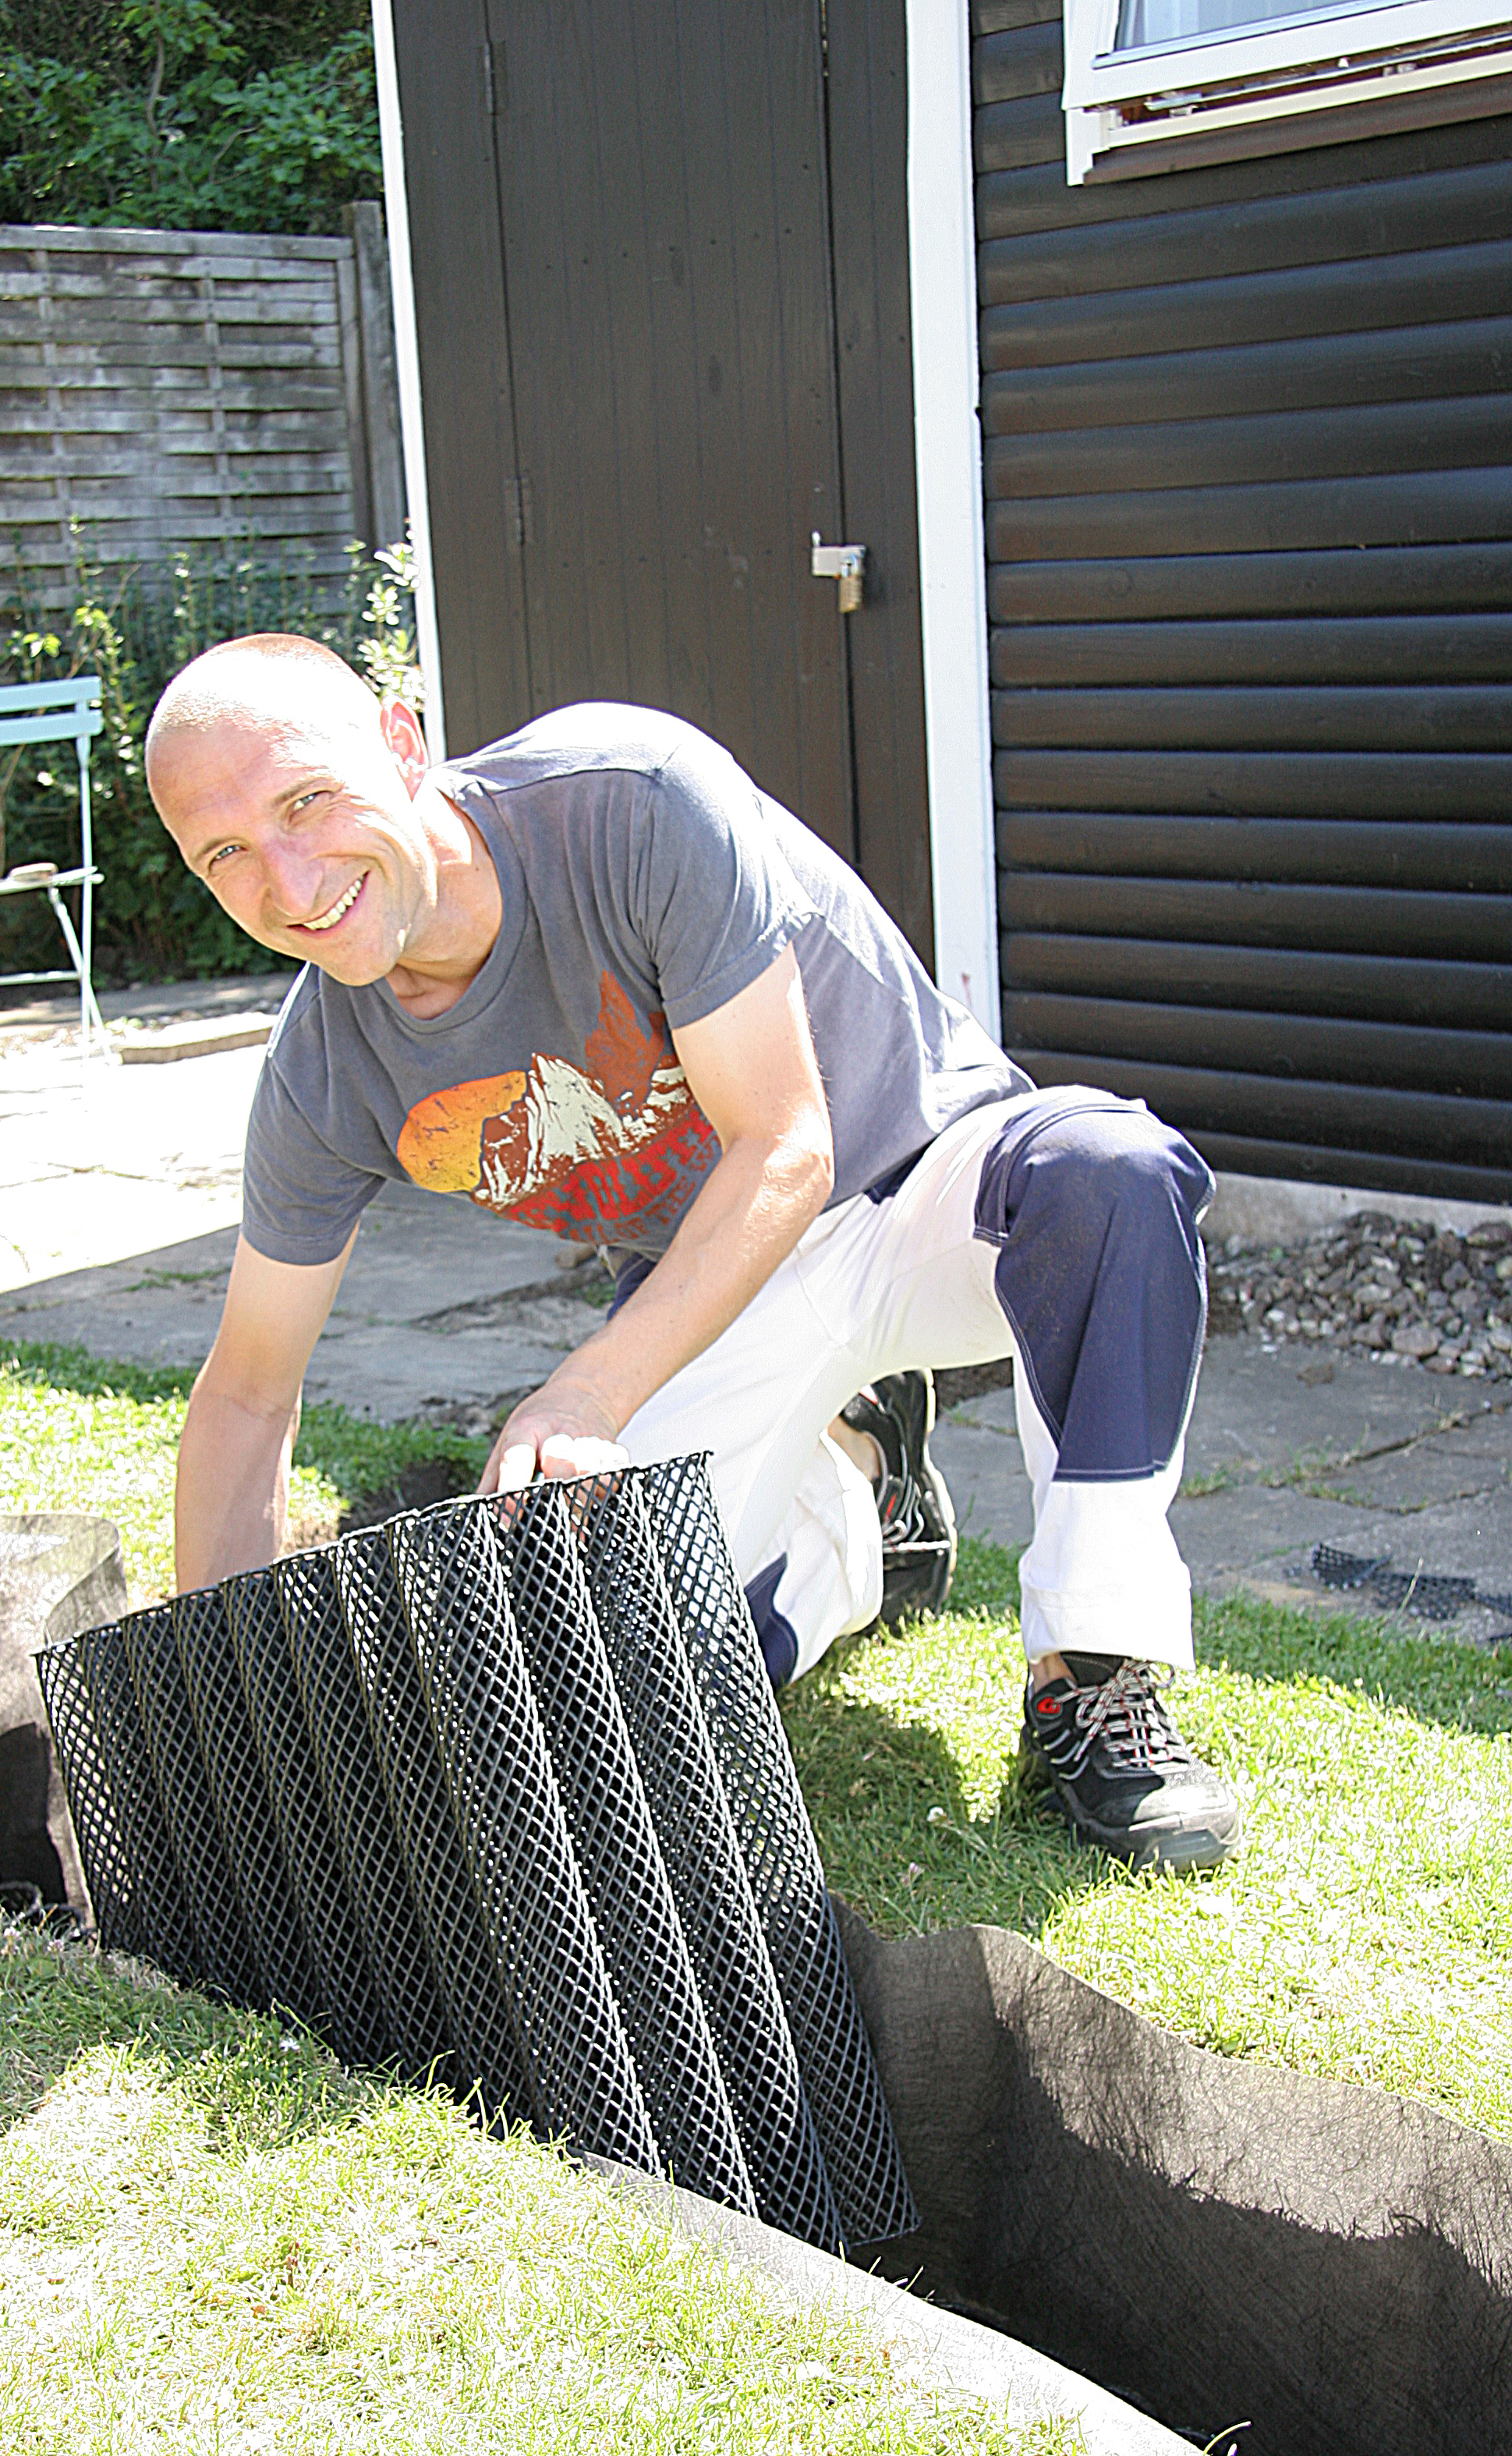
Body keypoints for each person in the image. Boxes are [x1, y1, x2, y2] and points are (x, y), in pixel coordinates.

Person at [147, 633, 1242, 1873]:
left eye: (306, 801)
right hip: (715, 1291)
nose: (288, 881)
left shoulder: (627, 800)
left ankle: (1092, 1674)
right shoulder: (324, 1072)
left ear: (402, 745)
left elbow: (786, 1146)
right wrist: (209, 1716)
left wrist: (586, 1388)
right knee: (605, 1716)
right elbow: (247, 1392)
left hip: (920, 1183)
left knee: (1110, 1178)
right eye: (226, 853)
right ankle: (868, 1502)